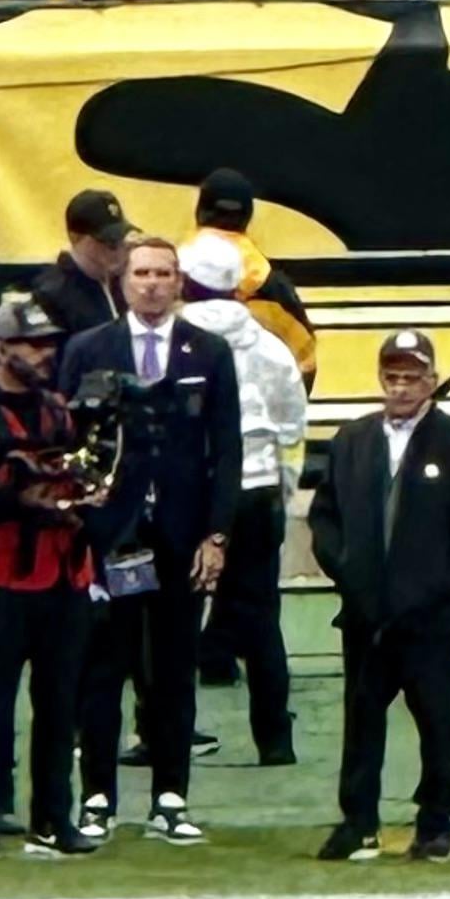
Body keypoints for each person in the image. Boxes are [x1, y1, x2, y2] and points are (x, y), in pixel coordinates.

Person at [62, 233, 241, 848]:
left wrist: (216, 534)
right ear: (123, 281)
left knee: (172, 669)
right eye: (142, 273)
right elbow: (68, 440)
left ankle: (171, 796)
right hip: (109, 535)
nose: (153, 284)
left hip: (181, 534)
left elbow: (227, 448)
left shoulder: (210, 352)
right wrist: (79, 515)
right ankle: (97, 797)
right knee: (102, 668)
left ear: (179, 282)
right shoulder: (89, 348)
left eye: (164, 273)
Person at [308, 329, 450, 864]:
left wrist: (441, 583)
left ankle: (436, 822)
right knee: (361, 721)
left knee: (437, 723)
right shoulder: (353, 439)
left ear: (431, 381)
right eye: (392, 377)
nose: (400, 387)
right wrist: (346, 571)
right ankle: (358, 821)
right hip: (365, 614)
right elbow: (324, 515)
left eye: (411, 377)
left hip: (431, 619)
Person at [0, 299, 98, 859]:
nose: (45, 354)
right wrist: (16, 499)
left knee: (60, 704)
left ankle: (53, 819)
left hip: (64, 574)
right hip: (0, 578)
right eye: (33, 344)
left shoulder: (61, 412)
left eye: (50, 344)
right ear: (2, 347)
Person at [177, 232, 307, 770]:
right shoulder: (271, 347)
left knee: (173, 617)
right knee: (261, 621)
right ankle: (275, 741)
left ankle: (166, 733)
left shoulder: (172, 343)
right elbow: (293, 426)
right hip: (257, 493)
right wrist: (282, 492)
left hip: (189, 494)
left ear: (185, 283)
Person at [186, 169, 317, 388]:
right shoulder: (271, 284)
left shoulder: (170, 270)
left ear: (200, 209)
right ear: (247, 215)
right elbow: (306, 364)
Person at [33, 189, 130, 341]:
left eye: (121, 237)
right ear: (75, 238)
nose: (117, 246)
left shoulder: (123, 281)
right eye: (107, 240)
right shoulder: (52, 295)